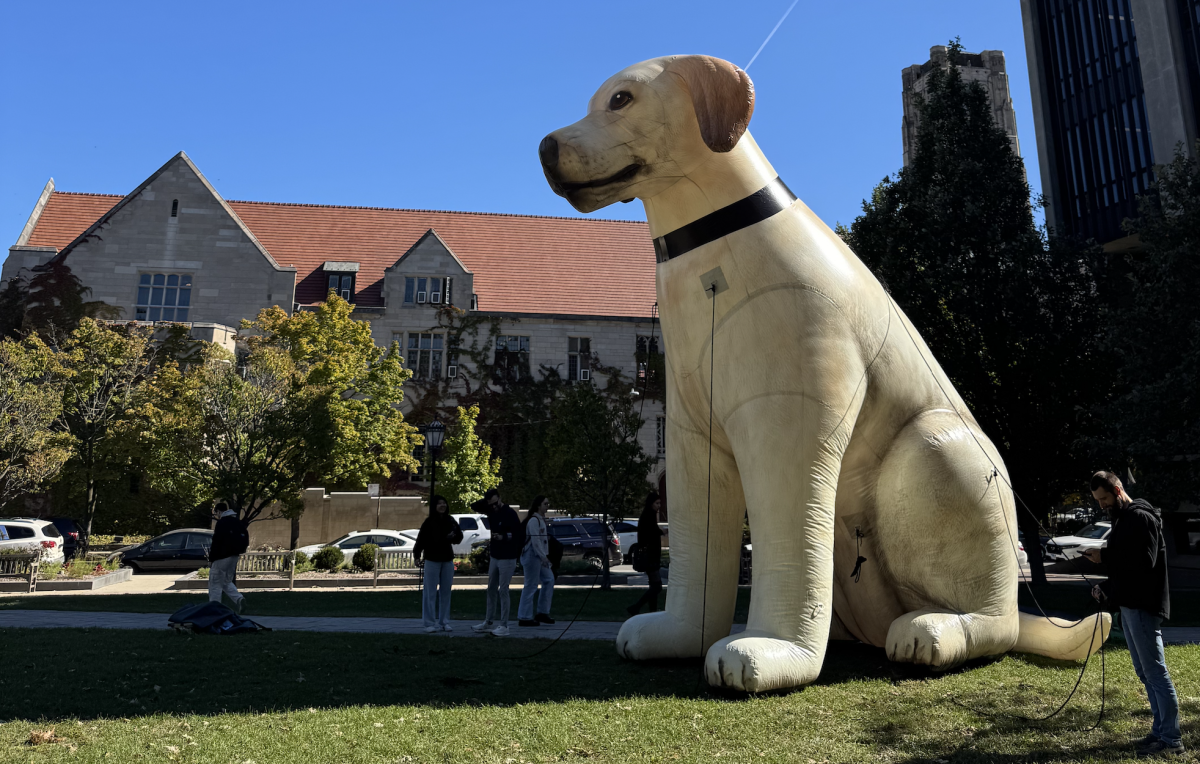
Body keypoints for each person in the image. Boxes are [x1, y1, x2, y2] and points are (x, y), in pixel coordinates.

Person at [1082, 471, 1181, 757]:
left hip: (1144, 606)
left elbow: (1144, 562)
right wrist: (1107, 587)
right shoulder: (1122, 519)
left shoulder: (1140, 517)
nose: (1101, 505)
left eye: (1103, 498)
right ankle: (1159, 731)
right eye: (1097, 501)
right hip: (1129, 604)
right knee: (1145, 673)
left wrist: (1106, 556)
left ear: (1116, 489)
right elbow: (1126, 568)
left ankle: (1172, 740)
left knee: (1155, 673)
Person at [471, 489, 523, 636]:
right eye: (491, 505)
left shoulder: (510, 513)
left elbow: (518, 534)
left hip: (508, 557)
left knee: (503, 590)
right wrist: (487, 502)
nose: (493, 507)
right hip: (495, 555)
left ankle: (504, 625)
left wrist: (504, 537)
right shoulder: (491, 511)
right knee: (491, 588)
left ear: (500, 499)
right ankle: (488, 621)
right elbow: (473, 506)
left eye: (495, 503)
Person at [413, 494, 464, 633]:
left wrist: (454, 536)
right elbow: (420, 541)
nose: (442, 505)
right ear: (434, 506)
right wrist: (417, 556)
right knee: (430, 592)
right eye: (439, 503)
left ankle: (444, 621)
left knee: (446, 592)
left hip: (447, 560)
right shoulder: (429, 522)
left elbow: (459, 537)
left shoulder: (451, 520)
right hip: (431, 560)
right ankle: (429, 623)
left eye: (444, 503)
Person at [517, 495, 555, 627]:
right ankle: (524, 617)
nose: (547, 506)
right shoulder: (534, 520)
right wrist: (543, 556)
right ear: (538, 505)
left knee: (549, 580)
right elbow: (535, 541)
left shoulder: (540, 520)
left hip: (540, 556)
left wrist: (544, 555)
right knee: (531, 585)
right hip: (532, 556)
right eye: (545, 504)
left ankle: (542, 612)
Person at [626, 492, 664, 617]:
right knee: (657, 586)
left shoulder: (649, 515)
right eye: (656, 503)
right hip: (650, 556)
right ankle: (636, 607)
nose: (658, 506)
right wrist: (660, 532)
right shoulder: (648, 516)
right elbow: (650, 534)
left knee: (653, 585)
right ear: (651, 503)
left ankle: (652, 611)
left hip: (651, 555)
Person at [208, 502, 248, 613]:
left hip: (221, 557)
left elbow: (216, 542)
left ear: (219, 511)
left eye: (216, 513)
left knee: (215, 583)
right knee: (226, 581)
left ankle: (214, 609)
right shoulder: (237, 522)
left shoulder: (222, 523)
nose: (217, 515)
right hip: (234, 557)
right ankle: (239, 599)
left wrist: (211, 559)